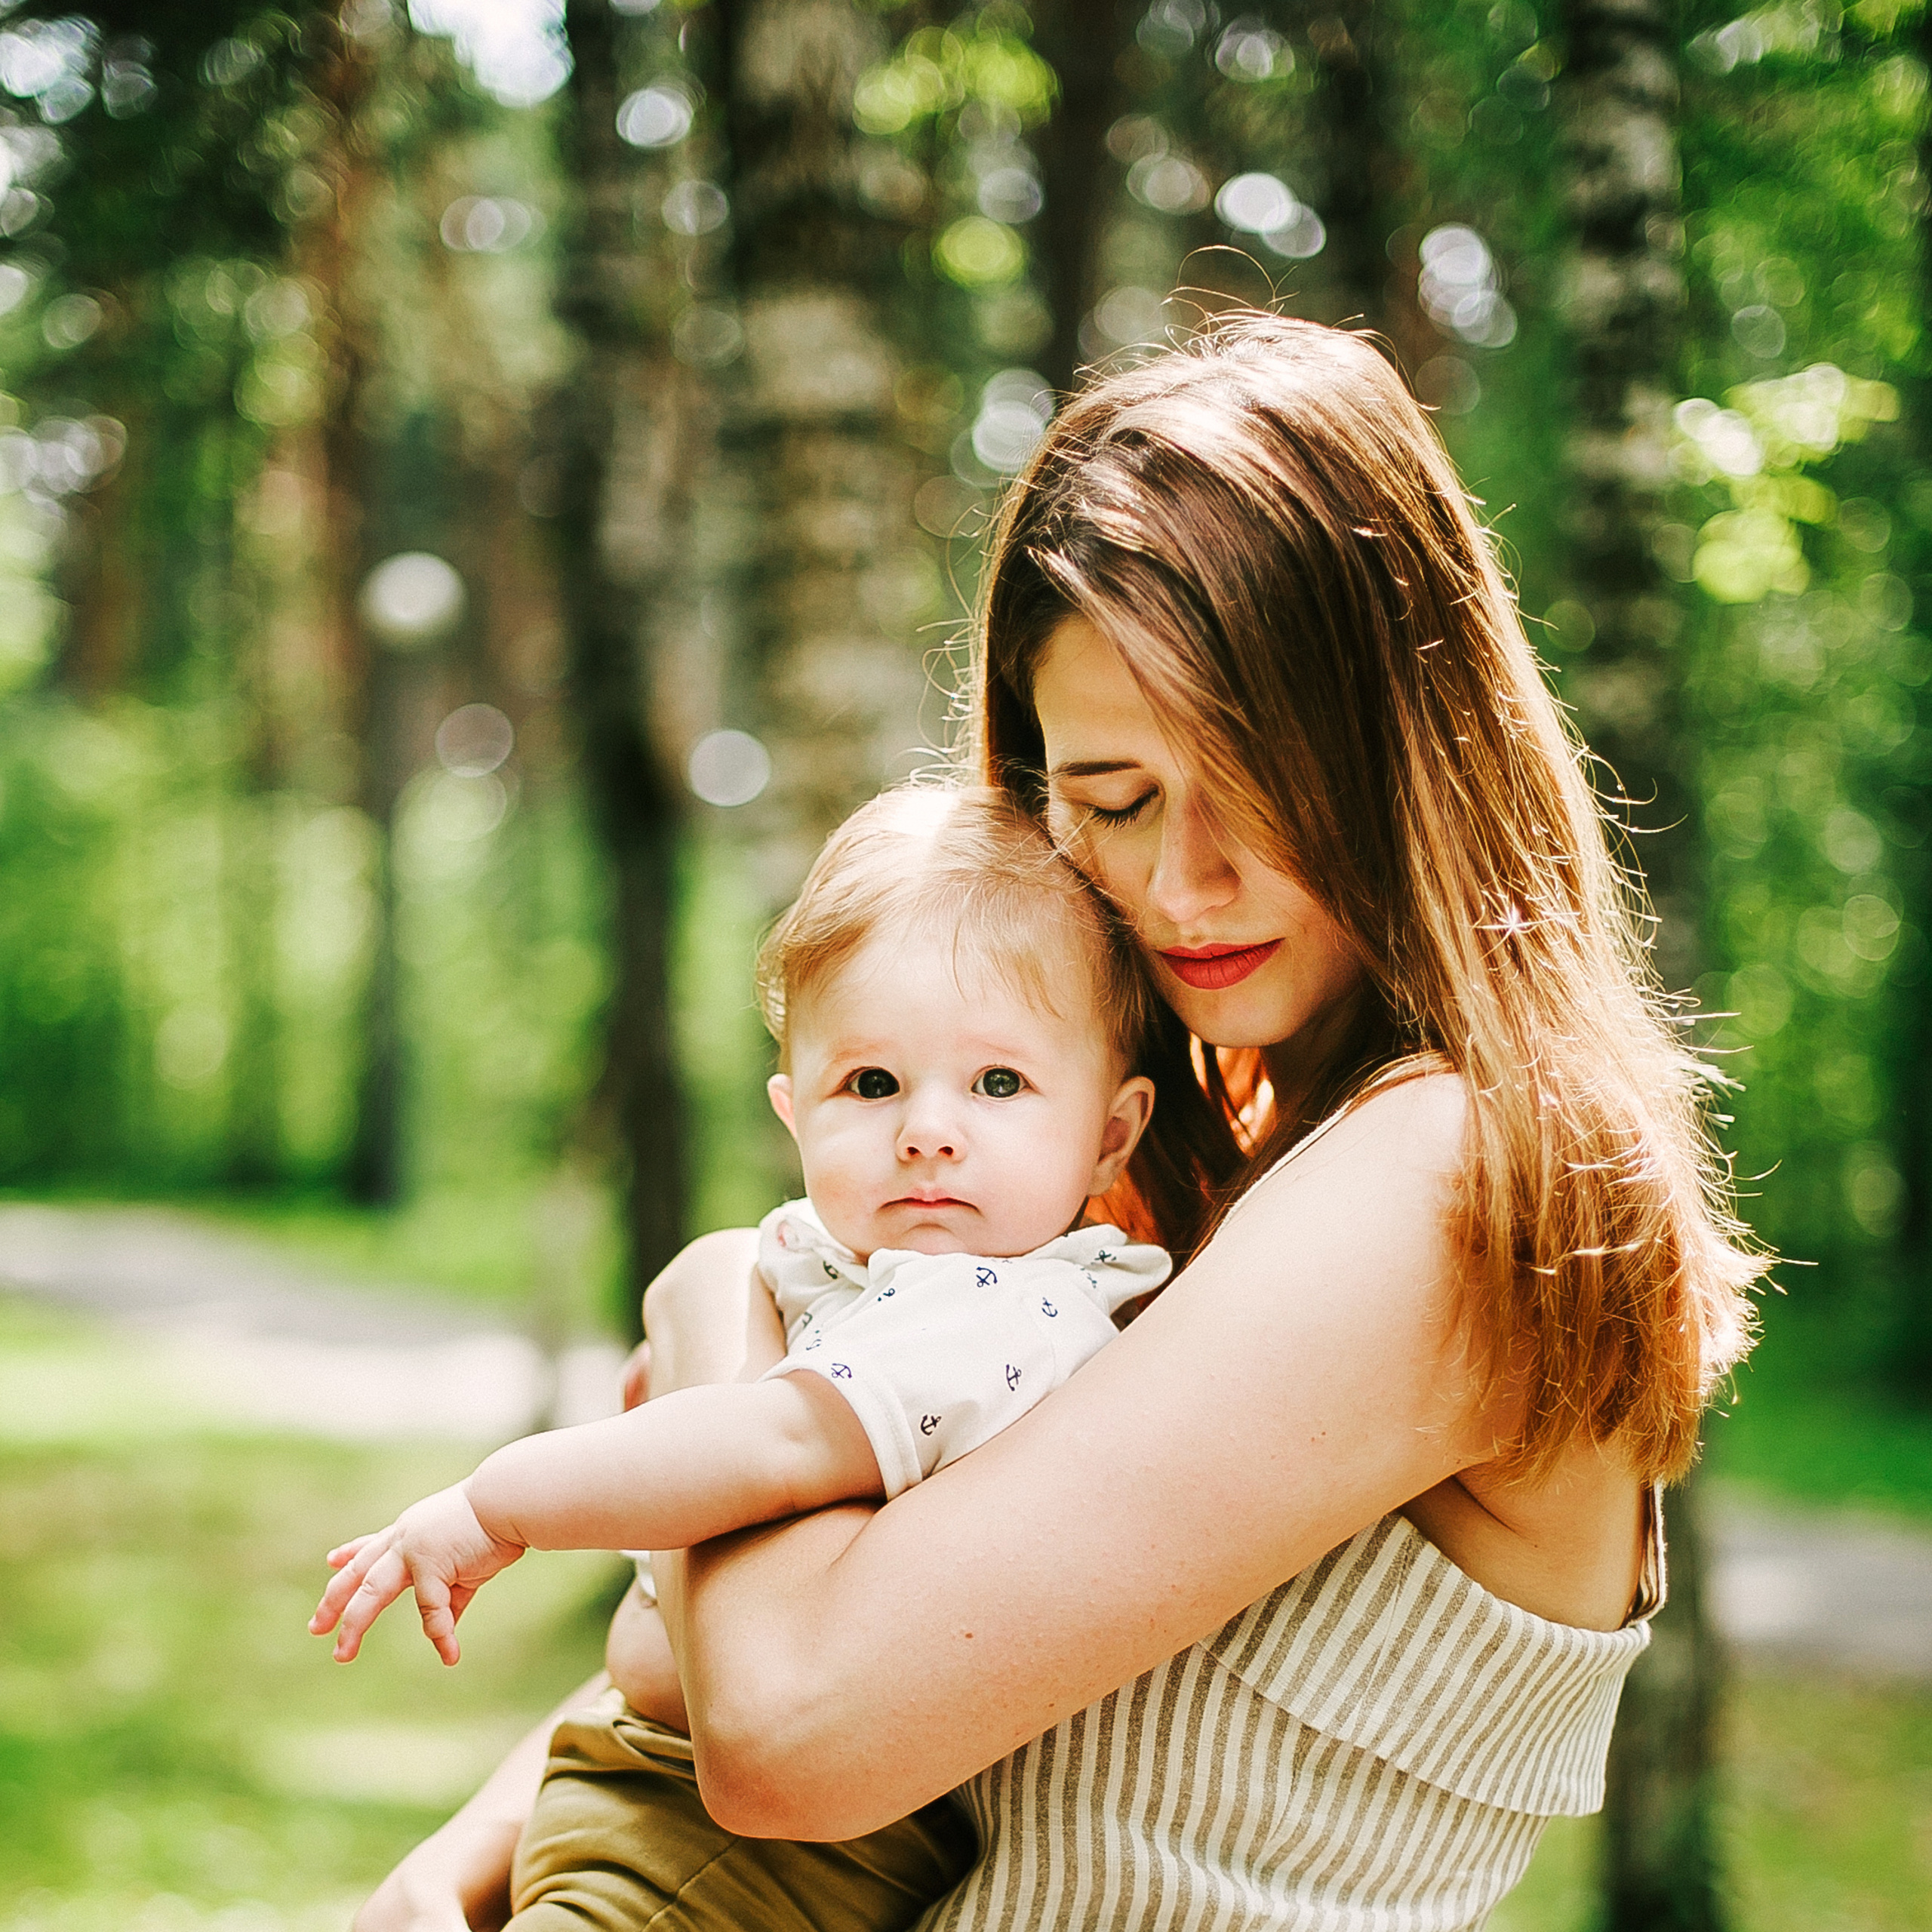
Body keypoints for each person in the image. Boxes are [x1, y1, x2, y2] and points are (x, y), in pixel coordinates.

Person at [356, 313, 1762, 1932]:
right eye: (1107, 800)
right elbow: (849, 1609)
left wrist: (710, 1305)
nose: (1180, 882)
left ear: (1407, 743)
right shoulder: (1197, 1177)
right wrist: (455, 1861)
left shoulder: (1445, 1176)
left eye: (1261, 782)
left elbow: (796, 1723)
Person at [320, 786, 1169, 1927]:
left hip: (736, 1855)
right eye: (871, 1084)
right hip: (651, 1797)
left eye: (999, 1083)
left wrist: (501, 1503)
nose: (928, 1127)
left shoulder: (1006, 1312)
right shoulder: (858, 1268)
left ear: (1111, 1133)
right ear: (792, 1112)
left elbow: (771, 1434)